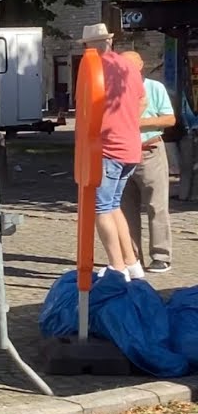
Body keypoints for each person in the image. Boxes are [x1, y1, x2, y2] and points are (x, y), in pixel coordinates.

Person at [81, 23, 146, 279]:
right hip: (130, 145)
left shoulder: (93, 67)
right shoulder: (127, 65)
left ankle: (117, 267)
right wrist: (127, 121)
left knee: (101, 208)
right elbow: (142, 100)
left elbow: (87, 108)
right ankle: (132, 263)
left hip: (107, 147)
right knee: (114, 205)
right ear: (109, 42)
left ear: (89, 46)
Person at [120, 50, 174, 274]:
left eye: (131, 66)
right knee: (124, 208)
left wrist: (136, 122)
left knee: (156, 205)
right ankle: (132, 257)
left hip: (149, 150)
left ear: (141, 65)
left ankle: (161, 255)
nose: (127, 71)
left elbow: (169, 119)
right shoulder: (116, 90)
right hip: (122, 154)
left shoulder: (154, 88)